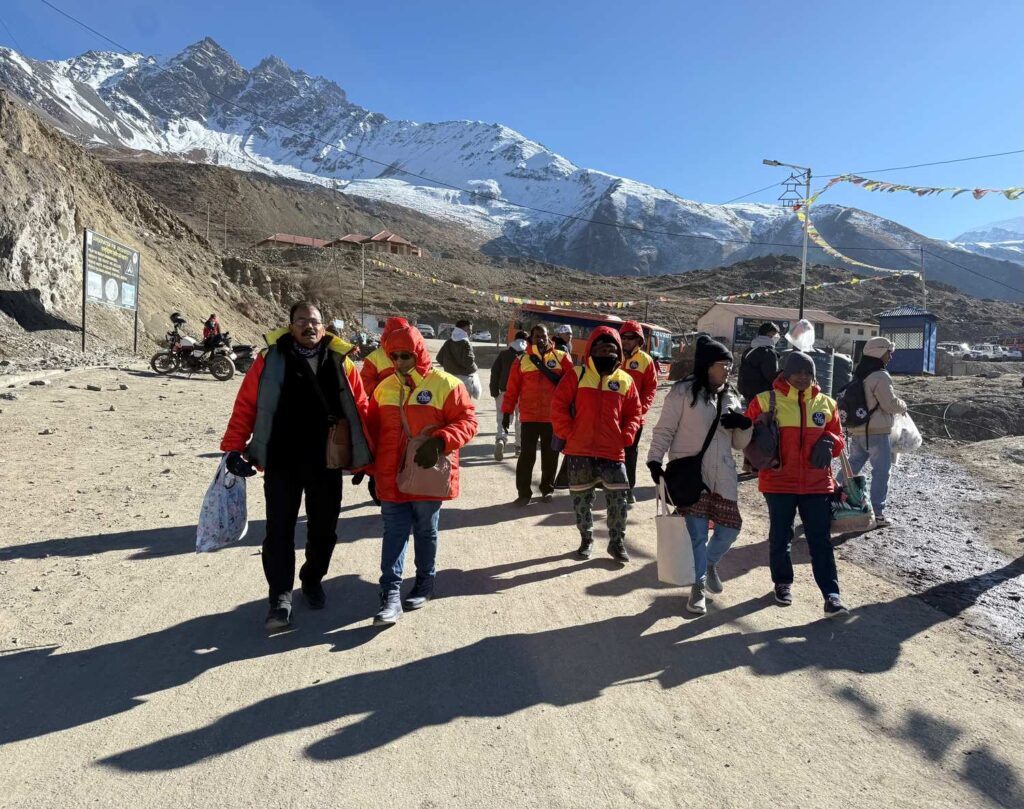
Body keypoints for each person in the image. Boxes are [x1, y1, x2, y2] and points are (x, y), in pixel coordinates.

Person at [220, 302, 373, 632]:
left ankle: (313, 578)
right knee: (279, 531)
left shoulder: (341, 360)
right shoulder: (270, 359)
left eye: (315, 321)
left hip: (327, 461)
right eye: (301, 320)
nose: (309, 326)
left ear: (324, 326)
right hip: (281, 459)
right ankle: (280, 597)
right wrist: (234, 447)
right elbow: (247, 404)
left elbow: (361, 409)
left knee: (324, 530)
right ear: (290, 326)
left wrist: (365, 457)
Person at [364, 324, 478, 625]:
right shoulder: (384, 389)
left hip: (427, 476)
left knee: (426, 531)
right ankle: (389, 594)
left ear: (418, 353)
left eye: (405, 356)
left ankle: (425, 582)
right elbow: (372, 432)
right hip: (390, 476)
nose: (400, 362)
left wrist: (442, 440)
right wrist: (366, 466)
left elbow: (468, 421)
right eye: (394, 357)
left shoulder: (446, 384)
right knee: (394, 533)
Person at [646, 336, 753, 614]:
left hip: (724, 474)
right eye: (722, 364)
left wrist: (745, 424)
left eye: (730, 364)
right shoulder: (681, 393)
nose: (728, 369)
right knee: (696, 534)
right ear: (707, 366)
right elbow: (664, 430)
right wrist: (655, 460)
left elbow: (739, 443)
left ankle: (707, 563)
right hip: (690, 474)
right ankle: (698, 589)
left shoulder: (732, 396)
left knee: (730, 528)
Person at [744, 351, 848, 617]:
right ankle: (782, 583)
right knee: (781, 536)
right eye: (797, 372)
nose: (802, 377)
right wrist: (755, 436)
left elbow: (838, 437)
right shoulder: (765, 400)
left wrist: (830, 442)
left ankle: (831, 595)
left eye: (807, 373)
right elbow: (743, 435)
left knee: (820, 540)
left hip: (817, 484)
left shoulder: (826, 403)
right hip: (778, 482)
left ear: (813, 375)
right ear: (785, 374)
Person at [551, 326, 642, 562]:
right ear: (592, 350)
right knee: (582, 502)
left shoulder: (625, 380)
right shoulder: (577, 375)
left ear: (619, 352)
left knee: (619, 503)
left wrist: (626, 436)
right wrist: (569, 432)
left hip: (613, 451)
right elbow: (558, 405)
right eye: (601, 348)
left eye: (611, 348)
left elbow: (635, 413)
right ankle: (586, 539)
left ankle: (617, 543)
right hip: (579, 450)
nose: (606, 352)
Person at [503, 324, 575, 505]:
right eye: (537, 337)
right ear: (530, 339)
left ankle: (547, 490)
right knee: (526, 456)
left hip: (553, 419)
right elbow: (512, 389)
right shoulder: (522, 360)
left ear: (548, 337)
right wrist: (507, 412)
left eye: (543, 336)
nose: (541, 339)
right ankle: (524, 493)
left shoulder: (561, 357)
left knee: (550, 456)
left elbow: (573, 386)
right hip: (529, 418)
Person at [842, 336, 907, 528]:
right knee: (881, 472)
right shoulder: (880, 376)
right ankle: (877, 513)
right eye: (889, 352)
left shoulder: (860, 374)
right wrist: (903, 405)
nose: (890, 356)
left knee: (851, 468)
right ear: (880, 352)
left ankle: (831, 500)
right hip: (877, 432)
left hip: (858, 430)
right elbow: (890, 404)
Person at [618, 321, 659, 503]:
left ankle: (628, 489)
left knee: (630, 453)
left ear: (639, 340)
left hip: (634, 418)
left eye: (630, 338)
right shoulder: (613, 355)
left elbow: (650, 389)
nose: (626, 341)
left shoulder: (645, 360)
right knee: (608, 452)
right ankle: (608, 485)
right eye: (623, 337)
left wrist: (640, 410)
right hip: (612, 415)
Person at [490, 330, 528, 460]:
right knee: (521, 420)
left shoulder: (504, 354)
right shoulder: (528, 356)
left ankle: (501, 439)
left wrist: (494, 391)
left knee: (503, 418)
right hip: (523, 394)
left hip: (505, 391)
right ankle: (519, 446)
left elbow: (495, 372)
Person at [360, 317, 412, 397]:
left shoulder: (414, 354)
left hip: (409, 403)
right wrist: (386, 389)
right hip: (382, 404)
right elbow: (364, 383)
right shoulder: (374, 358)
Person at [436, 319, 481, 399]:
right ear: (460, 329)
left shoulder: (448, 342)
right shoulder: (465, 343)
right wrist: (475, 368)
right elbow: (468, 362)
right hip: (464, 380)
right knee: (464, 406)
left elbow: (439, 358)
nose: (470, 332)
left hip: (449, 379)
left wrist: (449, 367)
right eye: (468, 330)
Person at [738, 321, 780, 403]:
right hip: (762, 395)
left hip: (747, 392)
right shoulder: (768, 352)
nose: (777, 337)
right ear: (769, 334)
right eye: (775, 334)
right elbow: (771, 376)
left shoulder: (749, 350)